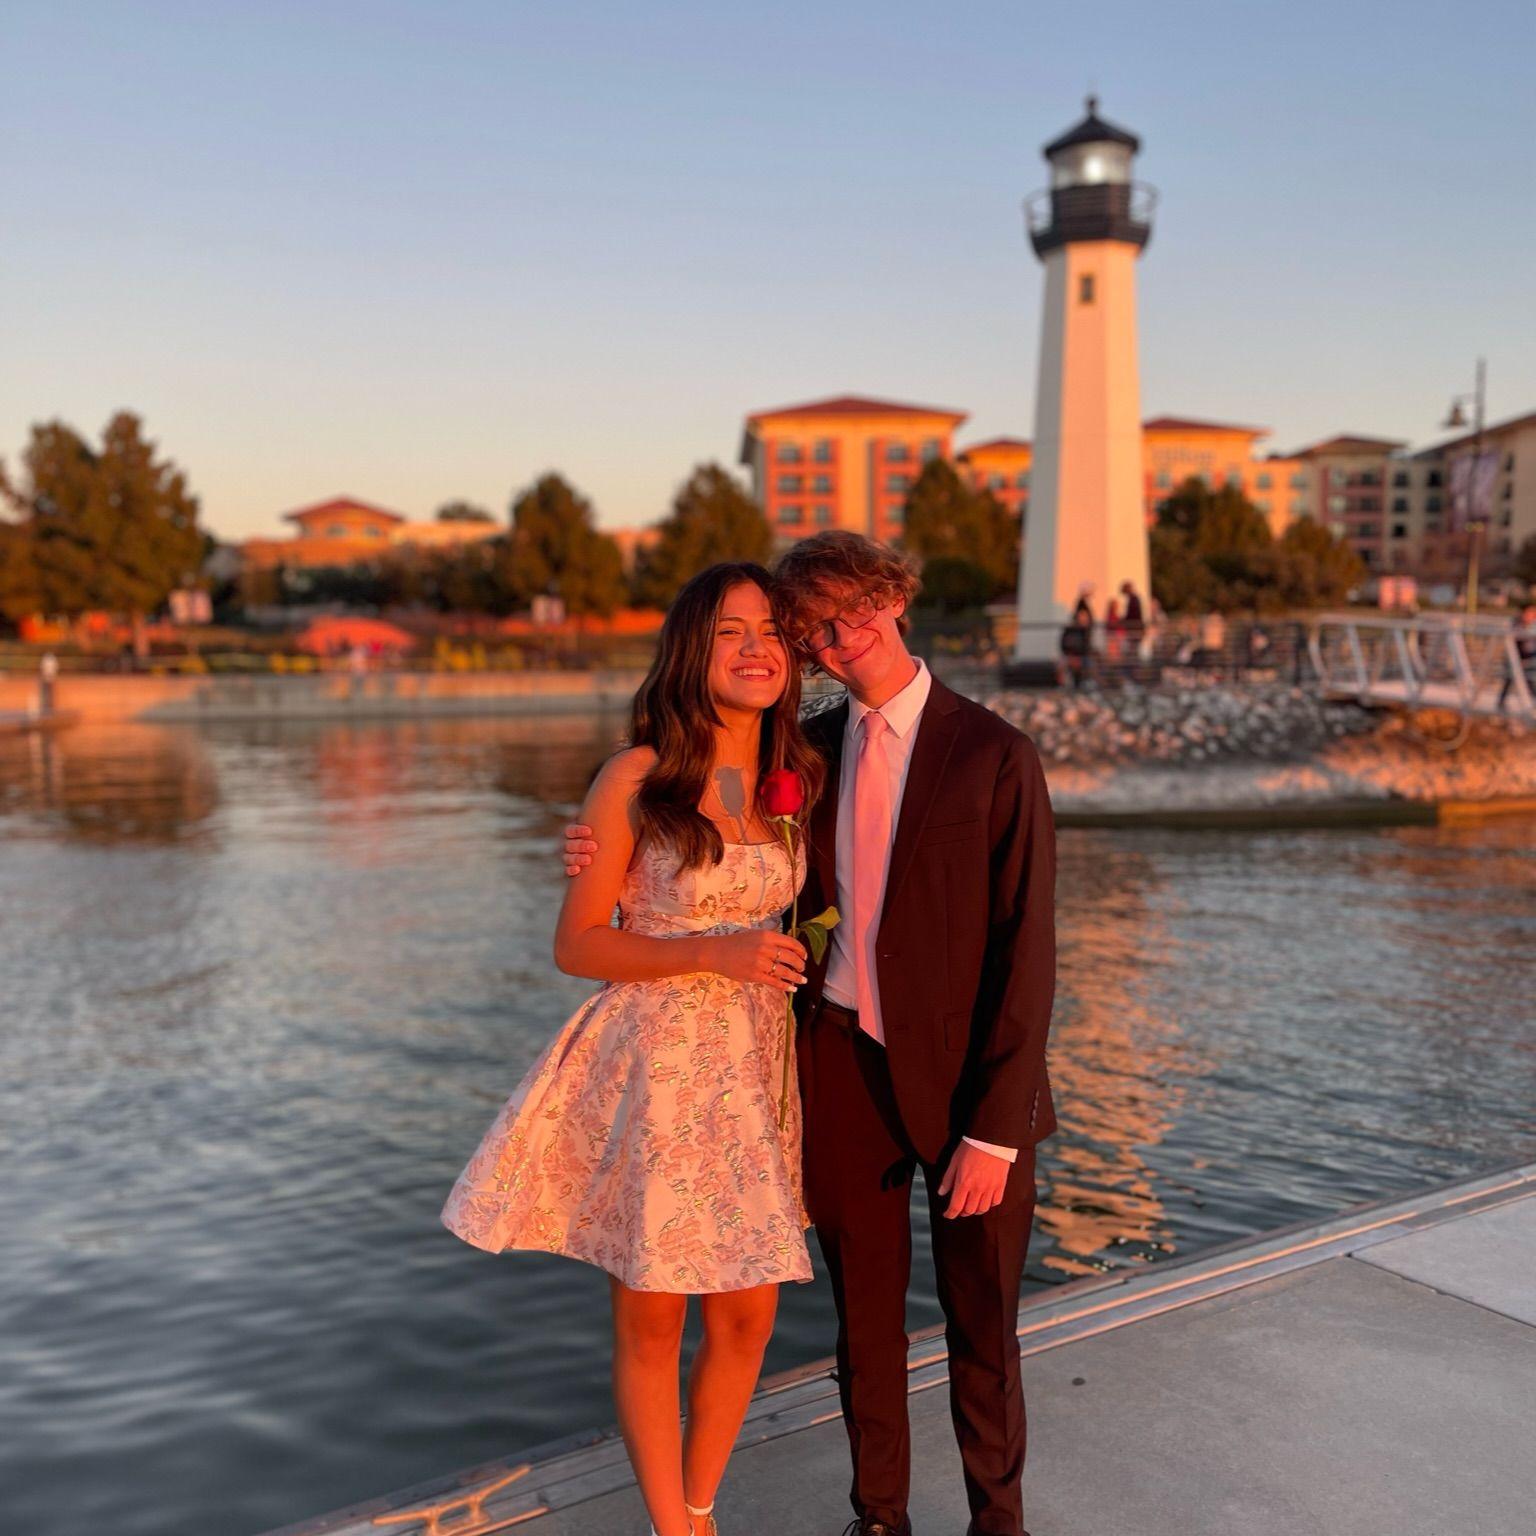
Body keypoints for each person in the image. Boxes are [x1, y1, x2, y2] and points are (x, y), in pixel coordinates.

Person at [568, 532, 1057, 1536]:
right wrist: (586, 841)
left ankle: (996, 1521)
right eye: (815, 630)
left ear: (897, 602)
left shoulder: (997, 752)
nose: (839, 638)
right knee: (862, 1331)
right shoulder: (808, 756)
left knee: (983, 1328)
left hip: (972, 1095)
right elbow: (690, 837)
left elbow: (1028, 949)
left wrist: (997, 1130)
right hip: (836, 1072)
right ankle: (878, 1519)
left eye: (853, 613)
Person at [445, 563, 825, 1536]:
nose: (756, 650)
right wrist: (713, 950)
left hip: (755, 1066)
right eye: (732, 631)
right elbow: (577, 944)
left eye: (774, 632)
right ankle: (677, 1527)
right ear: (691, 651)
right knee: (655, 1310)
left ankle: (701, 1500)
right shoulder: (636, 775)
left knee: (749, 1316)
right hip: (657, 1060)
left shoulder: (800, 778)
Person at [1499, 601, 1536, 713]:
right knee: (1510, 679)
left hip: (1528, 657)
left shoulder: (1532, 626)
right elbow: (1514, 643)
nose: (1532, 616)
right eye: (1530, 613)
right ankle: (1501, 702)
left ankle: (1501, 702)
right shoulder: (1516, 625)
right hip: (1515, 657)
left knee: (1529, 680)